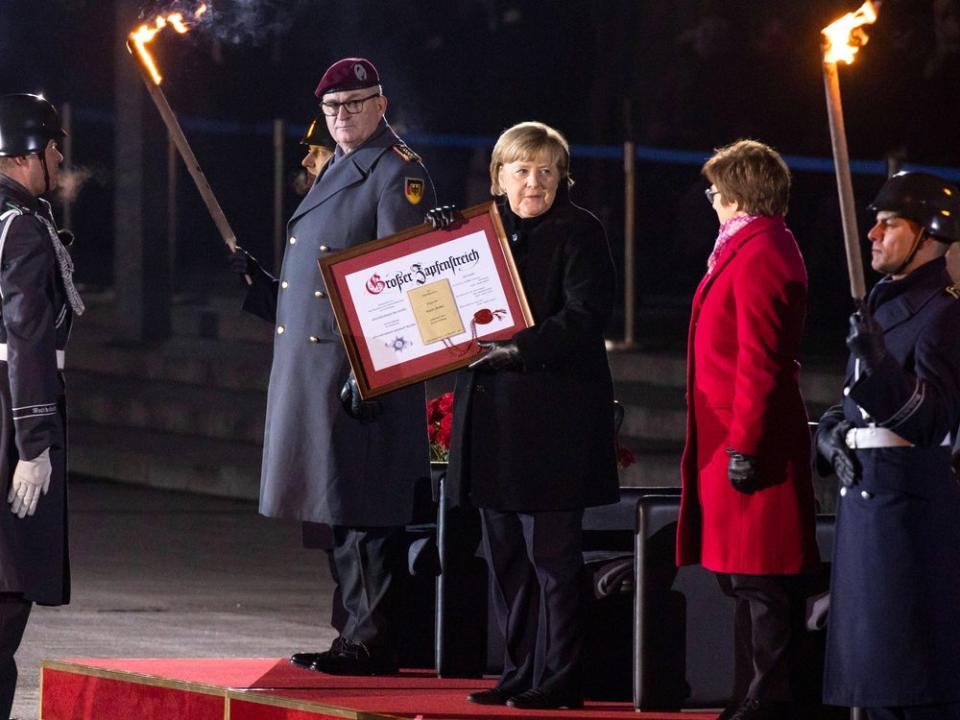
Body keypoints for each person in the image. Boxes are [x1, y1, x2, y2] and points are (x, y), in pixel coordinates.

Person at [228, 58, 436, 675]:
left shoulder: (398, 173)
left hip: (358, 373)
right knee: (335, 508)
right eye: (331, 109)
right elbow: (321, 281)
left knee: (364, 509)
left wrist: (374, 372)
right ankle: (352, 633)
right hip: (320, 369)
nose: (340, 117)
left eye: (353, 105)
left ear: (380, 105)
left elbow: (401, 279)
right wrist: (267, 288)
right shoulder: (342, 167)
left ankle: (370, 643)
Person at [441, 121, 620, 711]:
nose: (533, 182)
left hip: (554, 429)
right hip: (494, 427)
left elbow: (585, 317)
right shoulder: (477, 234)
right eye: (521, 170)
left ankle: (561, 677)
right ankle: (519, 671)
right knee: (507, 559)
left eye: (546, 171)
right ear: (498, 177)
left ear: (562, 176)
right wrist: (436, 243)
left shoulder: (580, 231)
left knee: (553, 563)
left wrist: (520, 349)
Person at [675, 139, 819, 720]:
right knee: (742, 577)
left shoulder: (760, 253)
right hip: (731, 437)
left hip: (749, 440)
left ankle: (768, 699)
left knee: (761, 579)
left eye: (715, 190)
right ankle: (748, 696)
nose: (711, 199)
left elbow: (760, 361)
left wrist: (745, 444)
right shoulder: (749, 245)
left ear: (738, 193)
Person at [816, 171, 960, 720]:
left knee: (914, 687)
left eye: (889, 224)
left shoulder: (945, 313)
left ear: (927, 236)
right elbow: (858, 402)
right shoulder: (880, 302)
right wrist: (833, 430)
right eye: (874, 223)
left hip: (908, 515)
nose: (872, 235)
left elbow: (931, 417)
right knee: (876, 690)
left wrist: (876, 366)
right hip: (868, 499)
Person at [0, 93, 82, 717]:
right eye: (53, 148)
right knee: (8, 590)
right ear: (30, 154)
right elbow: (27, 337)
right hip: (11, 417)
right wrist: (35, 444)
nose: (58, 158)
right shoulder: (22, 226)